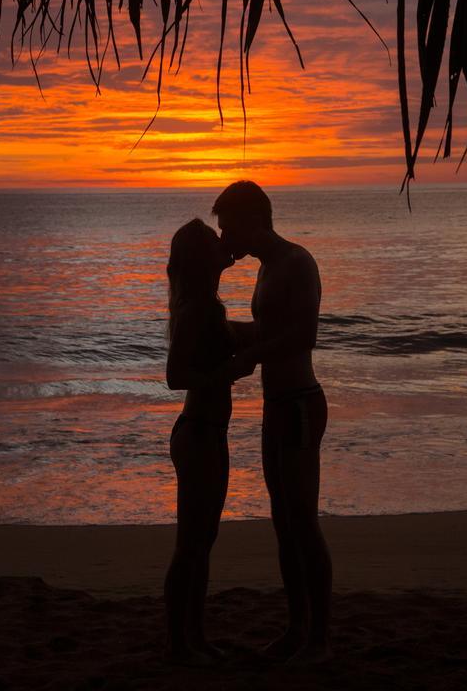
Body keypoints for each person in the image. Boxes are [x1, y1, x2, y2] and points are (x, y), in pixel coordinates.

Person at [213, 181, 332, 664]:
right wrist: (224, 332)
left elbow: (304, 335)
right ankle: (296, 627)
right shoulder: (266, 269)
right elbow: (271, 330)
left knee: (302, 521)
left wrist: (249, 357)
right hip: (276, 404)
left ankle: (319, 638)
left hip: (300, 402)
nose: (226, 240)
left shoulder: (297, 263)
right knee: (283, 521)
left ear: (251, 220)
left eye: (228, 228)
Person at [163, 218, 253, 666]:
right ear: (203, 258)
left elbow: (232, 337)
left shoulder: (207, 306)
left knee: (203, 541)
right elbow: (174, 377)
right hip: (198, 433)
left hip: (207, 433)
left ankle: (194, 638)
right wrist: (230, 371)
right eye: (214, 238)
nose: (225, 240)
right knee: (191, 546)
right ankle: (181, 644)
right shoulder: (198, 308)